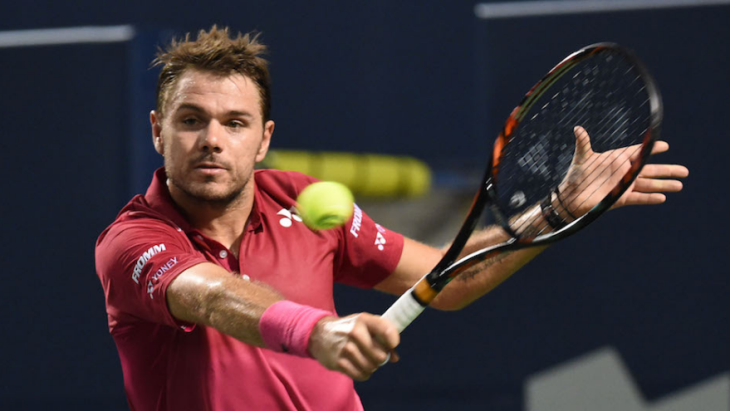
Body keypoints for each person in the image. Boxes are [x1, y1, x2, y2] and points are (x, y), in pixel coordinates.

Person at [95, 26, 688, 411]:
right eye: (191, 120)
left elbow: (447, 279)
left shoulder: (302, 201)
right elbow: (213, 297)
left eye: (235, 123)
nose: (212, 139)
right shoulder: (132, 242)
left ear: (264, 139)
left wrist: (555, 210)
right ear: (157, 131)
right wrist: (319, 333)